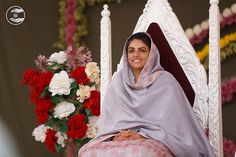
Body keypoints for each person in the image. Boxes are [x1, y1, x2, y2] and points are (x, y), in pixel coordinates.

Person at [78, 32, 215, 157]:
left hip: (155, 139)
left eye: (142, 50)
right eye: (131, 51)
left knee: (143, 152)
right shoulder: (118, 81)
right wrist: (116, 136)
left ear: (151, 54)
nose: (136, 55)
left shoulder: (165, 81)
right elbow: (109, 121)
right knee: (87, 151)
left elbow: (173, 126)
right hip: (118, 136)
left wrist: (142, 136)